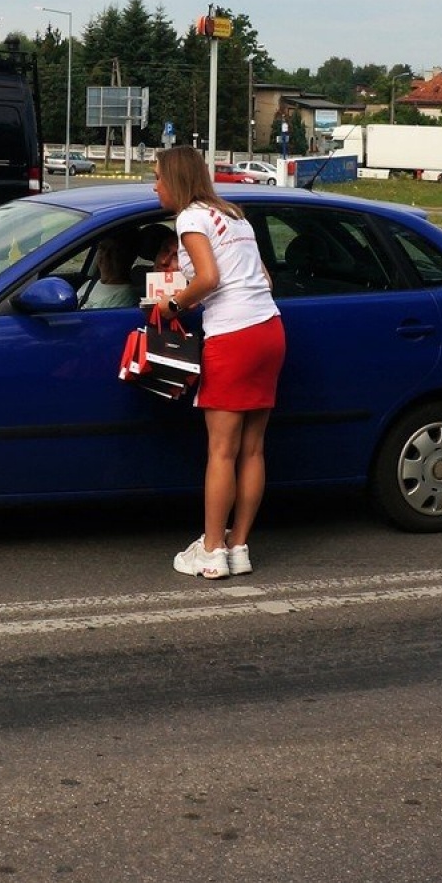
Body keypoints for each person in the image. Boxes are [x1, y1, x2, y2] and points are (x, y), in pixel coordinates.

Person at [153, 145, 286, 579]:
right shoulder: (234, 214)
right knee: (252, 449)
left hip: (233, 335)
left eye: (157, 177)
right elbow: (263, 277)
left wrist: (173, 303)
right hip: (269, 330)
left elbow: (210, 279)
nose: (154, 185)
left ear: (175, 180)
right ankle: (238, 546)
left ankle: (211, 552)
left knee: (221, 451)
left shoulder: (190, 218)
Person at [83, 230, 140, 309]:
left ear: (129, 257)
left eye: (115, 251)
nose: (106, 255)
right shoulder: (90, 283)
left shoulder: (126, 297)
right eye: (102, 248)